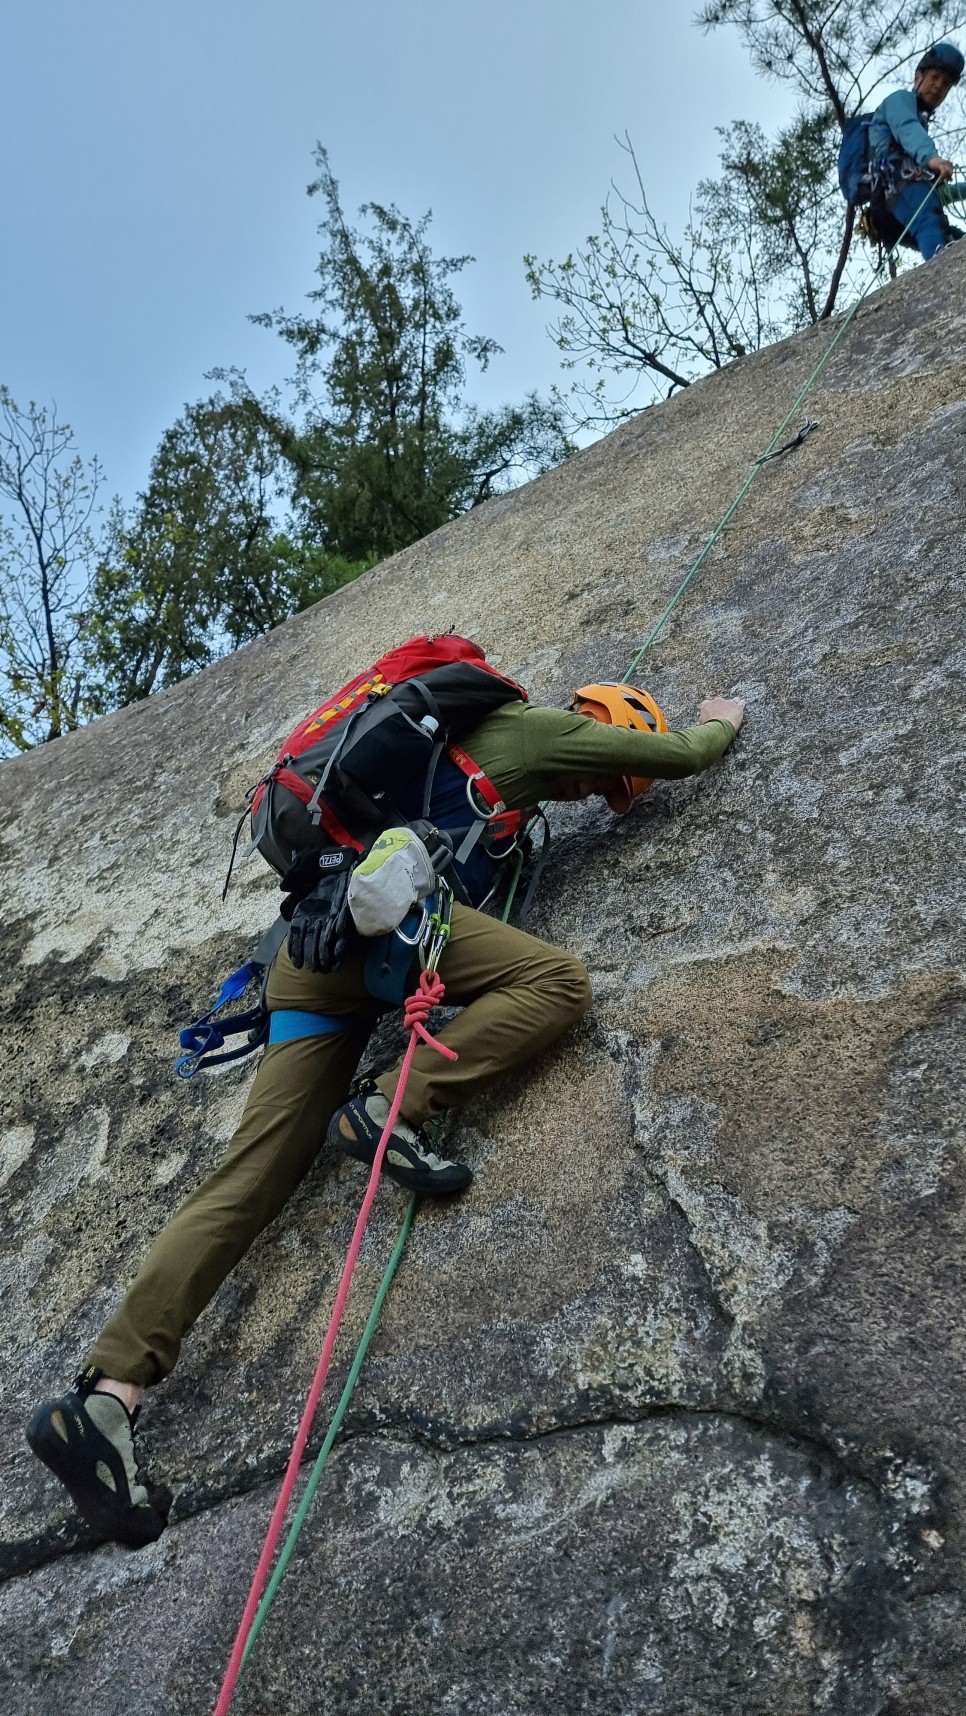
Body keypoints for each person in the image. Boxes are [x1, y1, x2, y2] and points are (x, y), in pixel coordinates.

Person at [26, 683, 746, 1549]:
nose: (596, 795)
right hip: (385, 942)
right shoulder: (543, 732)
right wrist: (721, 716)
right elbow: (685, 756)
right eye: (603, 783)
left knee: (247, 1179)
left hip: (311, 955)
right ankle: (388, 1106)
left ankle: (107, 1396)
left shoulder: (428, 761)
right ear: (608, 721)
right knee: (559, 983)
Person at [869, 41, 965, 259]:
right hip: (896, 187)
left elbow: (937, 192)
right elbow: (907, 128)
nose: (938, 86)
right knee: (930, 223)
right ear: (918, 76)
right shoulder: (900, 100)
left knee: (949, 236)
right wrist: (931, 158)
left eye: (946, 83)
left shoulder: (920, 121)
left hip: (898, 198)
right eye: (934, 77)